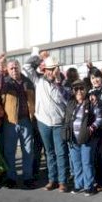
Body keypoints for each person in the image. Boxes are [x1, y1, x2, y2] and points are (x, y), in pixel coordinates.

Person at [23, 55, 70, 192]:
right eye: (48, 69)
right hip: (43, 123)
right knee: (50, 153)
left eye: (53, 69)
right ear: (44, 69)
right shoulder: (38, 80)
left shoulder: (64, 83)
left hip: (59, 123)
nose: (50, 71)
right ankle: (52, 180)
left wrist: (58, 82)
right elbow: (26, 66)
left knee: (61, 153)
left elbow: (67, 100)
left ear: (57, 69)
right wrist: (38, 58)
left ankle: (63, 181)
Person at [61, 79, 102, 196]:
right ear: (73, 91)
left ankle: (89, 186)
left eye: (82, 88)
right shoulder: (71, 103)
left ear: (86, 90)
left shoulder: (91, 102)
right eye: (76, 89)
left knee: (87, 162)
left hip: (87, 138)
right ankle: (78, 185)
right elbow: (60, 90)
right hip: (73, 138)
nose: (79, 91)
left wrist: (91, 128)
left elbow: (99, 118)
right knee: (76, 163)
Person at [1, 60, 35, 189]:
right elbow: (1, 100)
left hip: (26, 120)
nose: (14, 70)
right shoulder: (5, 83)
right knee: (10, 151)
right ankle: (11, 177)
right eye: (11, 68)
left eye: (16, 67)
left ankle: (28, 177)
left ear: (20, 68)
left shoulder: (28, 82)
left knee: (28, 150)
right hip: (10, 121)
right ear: (8, 71)